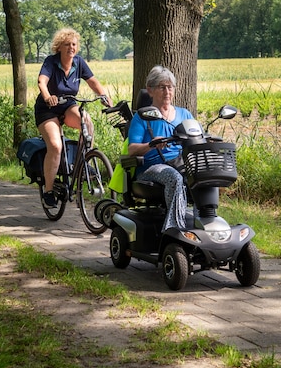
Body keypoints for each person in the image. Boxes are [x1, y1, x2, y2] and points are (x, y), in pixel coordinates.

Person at [35, 28, 111, 208]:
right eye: (67, 44)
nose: (71, 47)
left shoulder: (79, 62)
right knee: (55, 145)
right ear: (59, 47)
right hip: (47, 109)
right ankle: (48, 191)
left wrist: (103, 96)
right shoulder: (51, 62)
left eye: (74, 44)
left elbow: (92, 81)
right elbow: (42, 81)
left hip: (68, 105)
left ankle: (83, 161)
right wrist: (48, 97)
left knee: (86, 122)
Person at [127, 65, 194, 232]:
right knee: (174, 177)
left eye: (170, 87)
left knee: (204, 175)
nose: (167, 92)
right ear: (150, 90)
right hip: (151, 167)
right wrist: (151, 144)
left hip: (179, 162)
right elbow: (132, 149)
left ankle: (205, 224)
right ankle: (174, 229)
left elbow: (197, 138)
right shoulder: (142, 117)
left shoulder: (184, 114)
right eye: (162, 87)